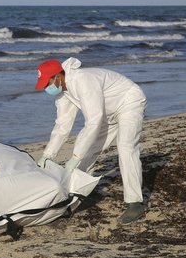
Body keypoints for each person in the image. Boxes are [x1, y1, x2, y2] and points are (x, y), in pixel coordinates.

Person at [35, 57, 147, 224]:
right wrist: (48, 154)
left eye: (47, 82)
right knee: (87, 152)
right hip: (106, 114)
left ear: (58, 76)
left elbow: (93, 120)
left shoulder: (83, 80)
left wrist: (75, 156)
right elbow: (62, 126)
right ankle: (80, 195)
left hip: (128, 102)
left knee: (126, 147)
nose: (46, 87)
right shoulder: (62, 92)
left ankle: (135, 203)